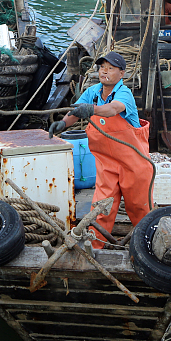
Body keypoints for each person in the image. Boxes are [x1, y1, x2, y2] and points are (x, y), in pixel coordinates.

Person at [49, 52, 152, 249]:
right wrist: (61, 124)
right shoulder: (93, 92)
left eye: (111, 68)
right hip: (106, 163)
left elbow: (113, 109)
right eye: (102, 67)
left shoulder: (124, 94)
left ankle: (149, 245)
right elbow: (76, 111)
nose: (104, 71)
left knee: (139, 207)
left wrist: (92, 110)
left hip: (134, 163)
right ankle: (93, 247)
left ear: (121, 73)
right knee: (100, 208)